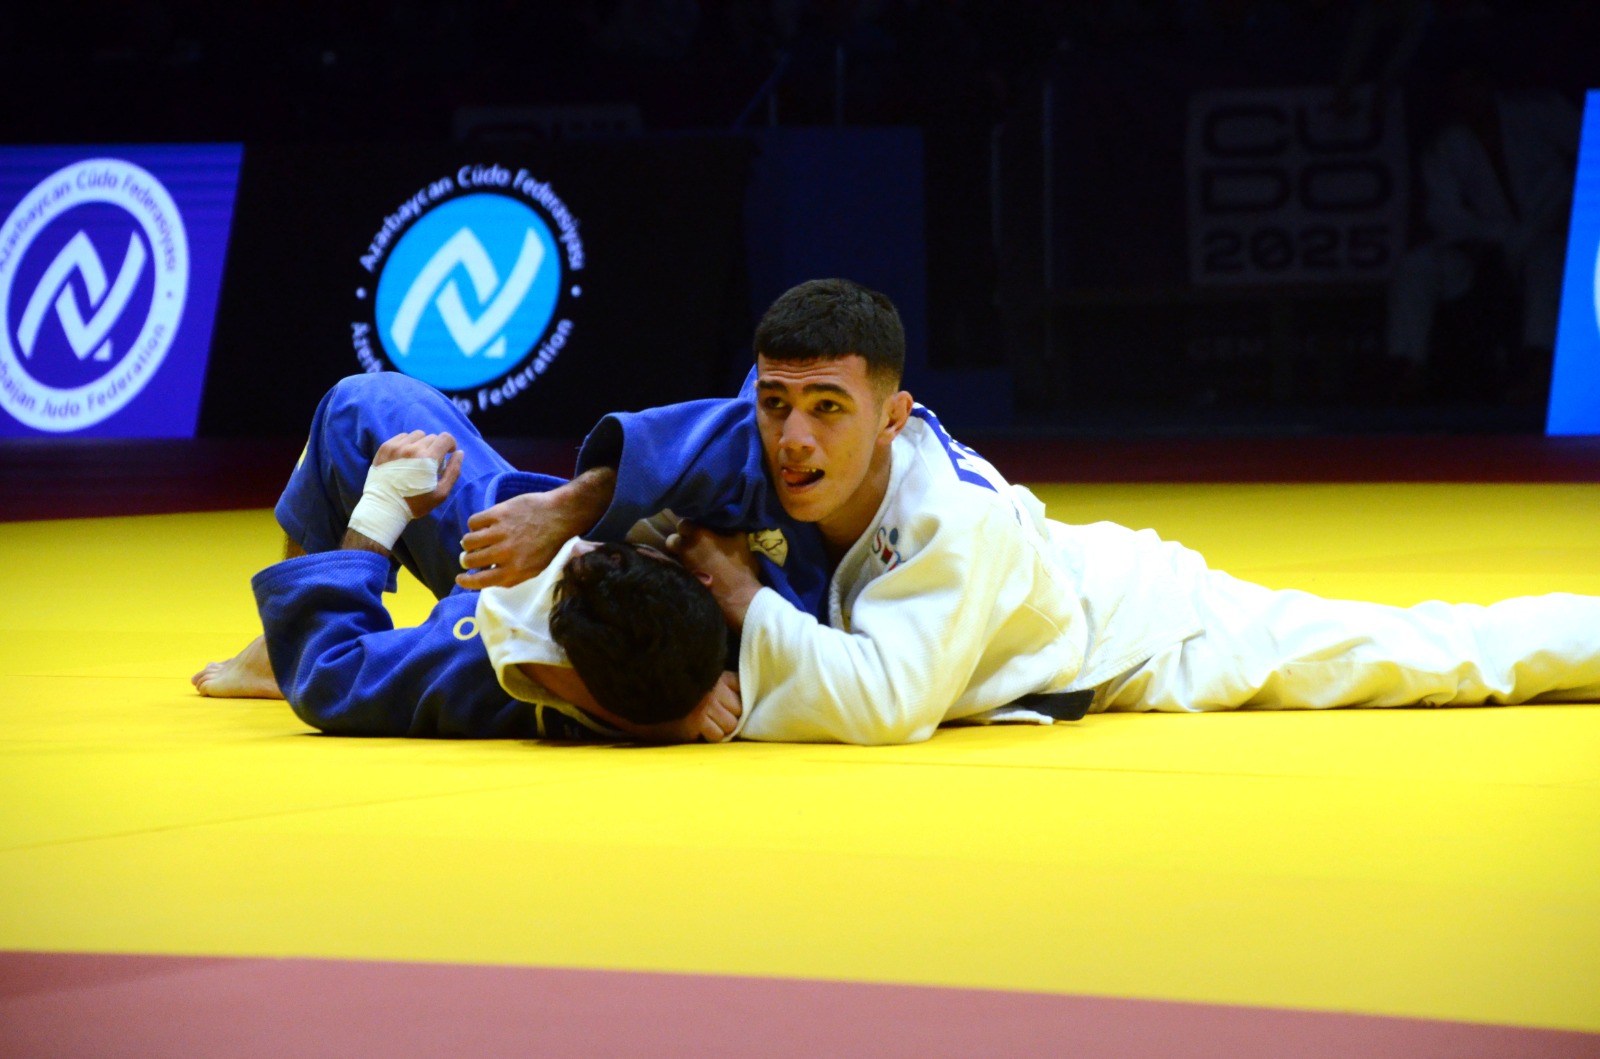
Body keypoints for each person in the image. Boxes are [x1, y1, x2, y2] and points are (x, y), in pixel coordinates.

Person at [480, 278, 1600, 745]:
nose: (794, 439)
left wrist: (736, 597)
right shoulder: (756, 450)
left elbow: (887, 705)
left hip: (1144, 629)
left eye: (828, 408)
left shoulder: (949, 517)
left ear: (893, 416)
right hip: (1055, 591)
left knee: (1421, 657)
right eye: (776, 405)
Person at [193, 372, 741, 744]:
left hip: (493, 588)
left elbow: (327, 675)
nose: (569, 551)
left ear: (553, 665)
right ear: (697, 577)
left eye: (560, 574)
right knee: (365, 402)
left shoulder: (492, 651)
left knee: (358, 417)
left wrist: (383, 506)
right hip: (613, 592)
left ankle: (281, 650)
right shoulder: (737, 608)